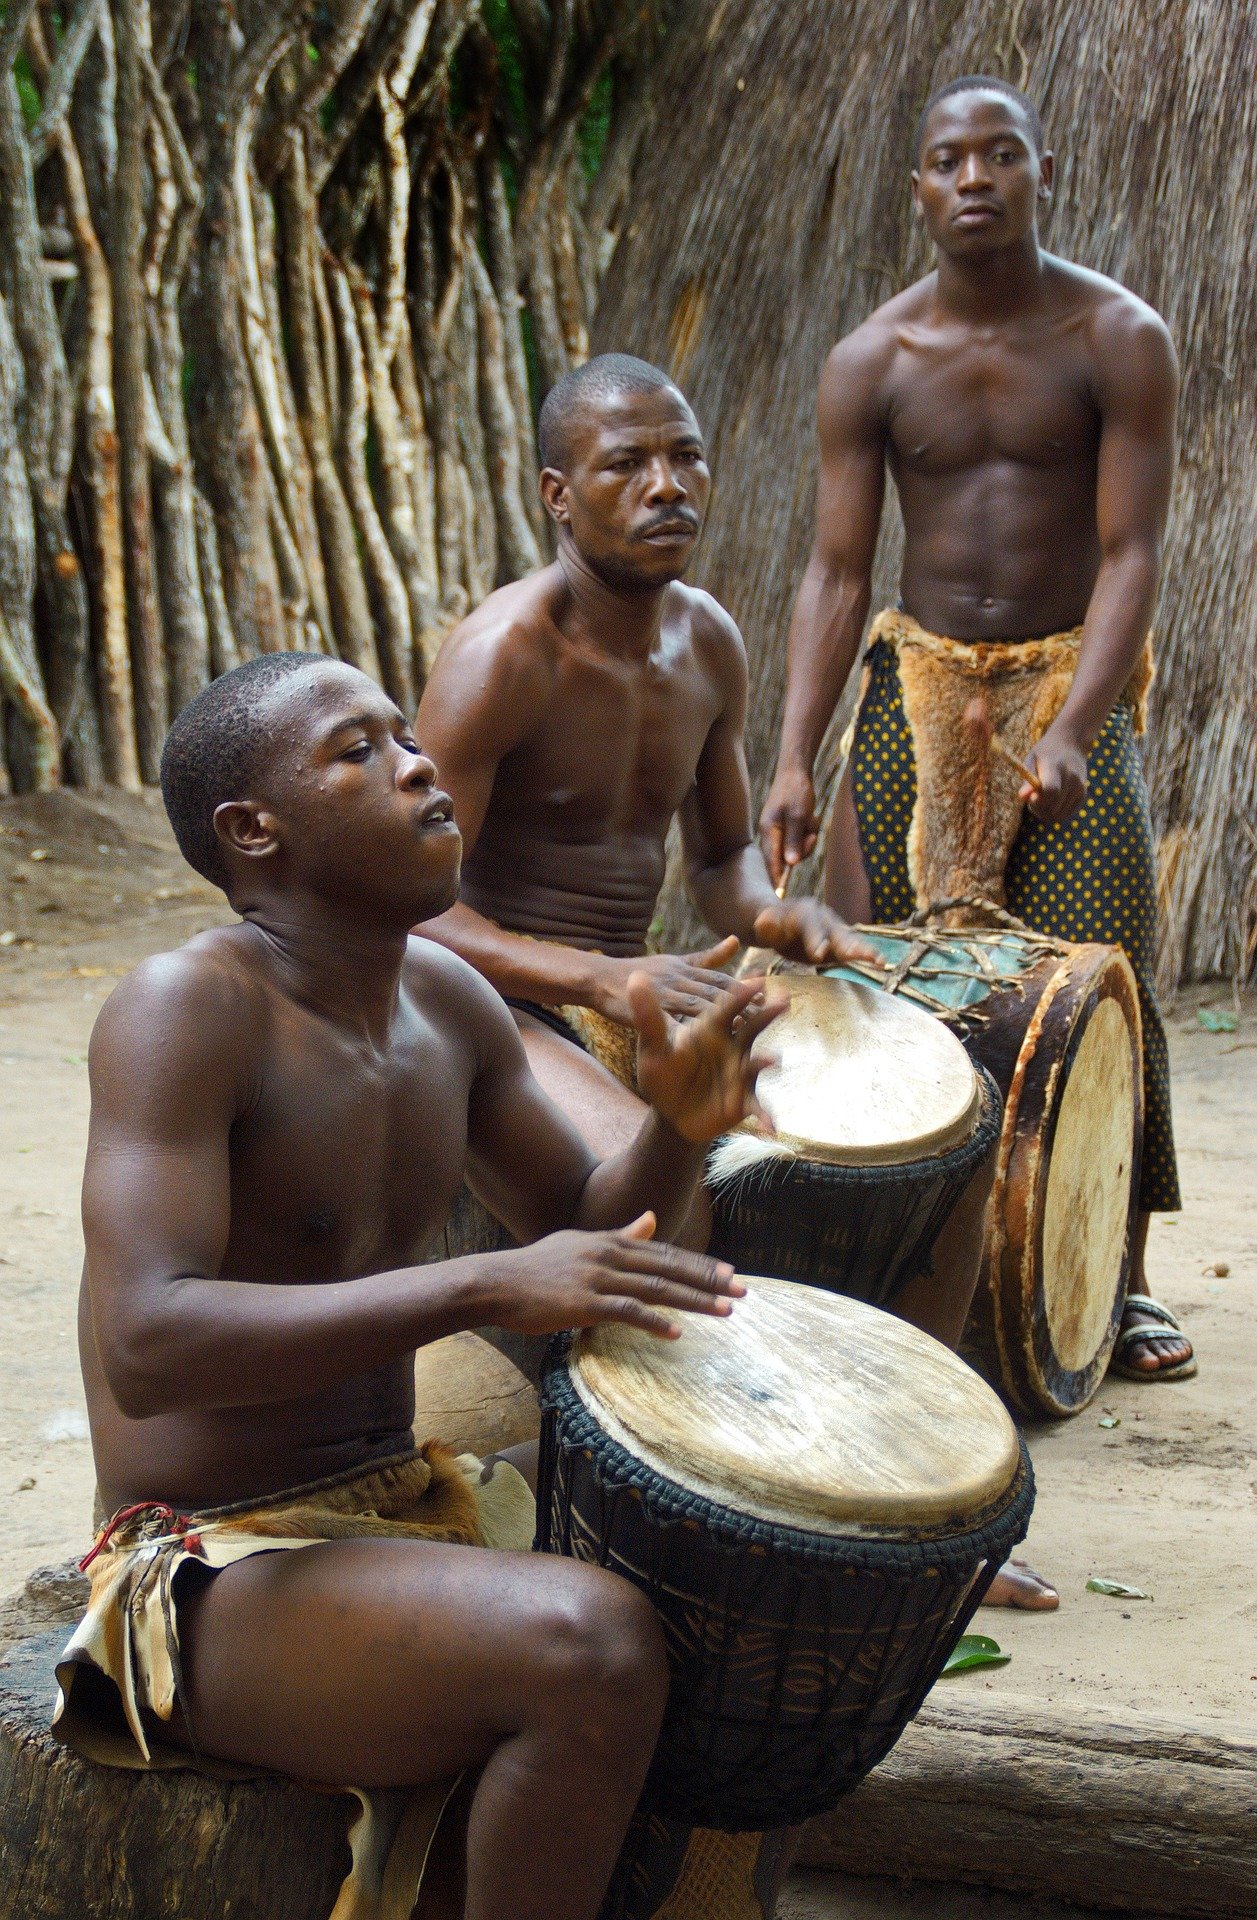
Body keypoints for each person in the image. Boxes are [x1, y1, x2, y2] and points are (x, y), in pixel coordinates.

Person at [58, 650, 786, 1920]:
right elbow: (148, 1341)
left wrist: (677, 1127)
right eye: (360, 751)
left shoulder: (442, 998)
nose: (419, 767)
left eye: (407, 735)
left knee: (723, 1562)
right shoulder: (185, 1008)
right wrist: (479, 1289)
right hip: (208, 1572)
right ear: (253, 831)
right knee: (589, 1648)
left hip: (397, 1507)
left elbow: (590, 1228)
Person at [415, 354, 1050, 1608]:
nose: (667, 486)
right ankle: (725, 1513)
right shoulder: (503, 657)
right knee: (681, 1200)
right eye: (624, 465)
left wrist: (777, 914)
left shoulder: (706, 639)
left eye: (685, 456)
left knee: (953, 1134)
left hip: (639, 985)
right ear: (557, 492)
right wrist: (599, 976)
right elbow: (415, 905)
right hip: (501, 1005)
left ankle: (902, 1487)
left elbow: (712, 859)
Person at [759, 75, 1192, 1385]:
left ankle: (1120, 1283)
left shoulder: (1117, 337)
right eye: (949, 160)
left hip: (1069, 671)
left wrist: (1077, 722)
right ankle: (904, 1267)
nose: (974, 180)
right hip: (923, 679)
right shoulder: (873, 360)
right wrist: (792, 752)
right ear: (919, 188)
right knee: (890, 973)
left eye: (1000, 156)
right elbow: (837, 574)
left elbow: (1130, 553)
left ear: (1040, 171)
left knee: (1106, 961)